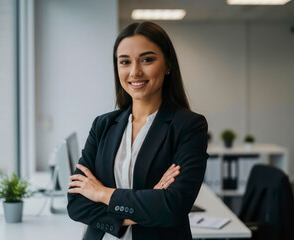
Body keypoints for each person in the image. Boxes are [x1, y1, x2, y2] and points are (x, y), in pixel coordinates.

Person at [67, 22, 209, 240]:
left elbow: (173, 207)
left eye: (147, 59)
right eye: (125, 62)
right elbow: (76, 204)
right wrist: (148, 203)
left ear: (168, 64)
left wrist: (101, 193)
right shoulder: (103, 125)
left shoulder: (189, 126)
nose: (135, 71)